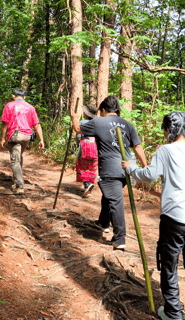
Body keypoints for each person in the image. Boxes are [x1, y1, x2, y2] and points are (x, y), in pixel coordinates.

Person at [121, 112, 185, 320]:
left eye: (165, 130)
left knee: (169, 265)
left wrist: (131, 168)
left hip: (175, 218)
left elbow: (149, 176)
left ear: (169, 130)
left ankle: (173, 313)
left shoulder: (166, 151)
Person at [71, 96, 147, 250]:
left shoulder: (99, 122)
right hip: (127, 168)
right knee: (110, 196)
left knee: (115, 202)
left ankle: (120, 238)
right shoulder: (127, 124)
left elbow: (78, 129)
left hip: (111, 169)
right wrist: (145, 167)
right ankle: (103, 222)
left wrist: (74, 118)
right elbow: (137, 147)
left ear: (103, 109)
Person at [0, 89, 44, 194]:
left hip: (15, 136)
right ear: (24, 97)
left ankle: (19, 186)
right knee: (19, 156)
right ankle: (16, 178)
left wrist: (2, 138)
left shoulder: (9, 106)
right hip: (27, 136)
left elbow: (5, 123)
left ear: (13, 96)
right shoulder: (31, 107)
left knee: (15, 160)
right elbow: (37, 125)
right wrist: (41, 139)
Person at [75, 104, 98, 198]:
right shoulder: (97, 123)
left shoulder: (82, 123)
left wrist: (78, 144)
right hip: (94, 148)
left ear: (86, 113)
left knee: (82, 166)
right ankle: (89, 184)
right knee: (92, 167)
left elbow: (78, 135)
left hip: (84, 147)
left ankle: (87, 185)